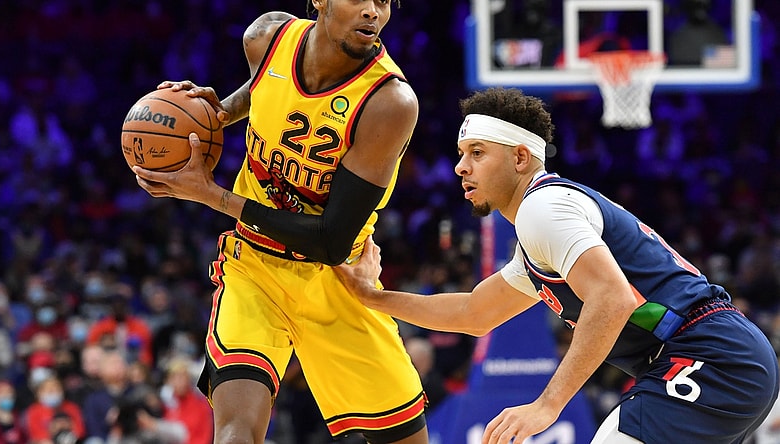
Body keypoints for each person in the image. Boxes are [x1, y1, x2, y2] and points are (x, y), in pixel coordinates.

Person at [333, 87, 780, 444]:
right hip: (716, 360)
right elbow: (473, 314)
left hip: (711, 357)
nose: (459, 167)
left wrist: (547, 405)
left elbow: (613, 297)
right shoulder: (541, 235)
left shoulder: (543, 209)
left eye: (477, 153)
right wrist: (371, 295)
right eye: (461, 153)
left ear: (520, 158)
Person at [131, 1, 429, 443]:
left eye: (383, 1)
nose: (371, 12)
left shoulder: (389, 102)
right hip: (254, 267)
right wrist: (212, 115)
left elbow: (329, 240)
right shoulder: (266, 38)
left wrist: (211, 195)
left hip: (336, 278)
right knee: (236, 432)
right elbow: (263, 89)